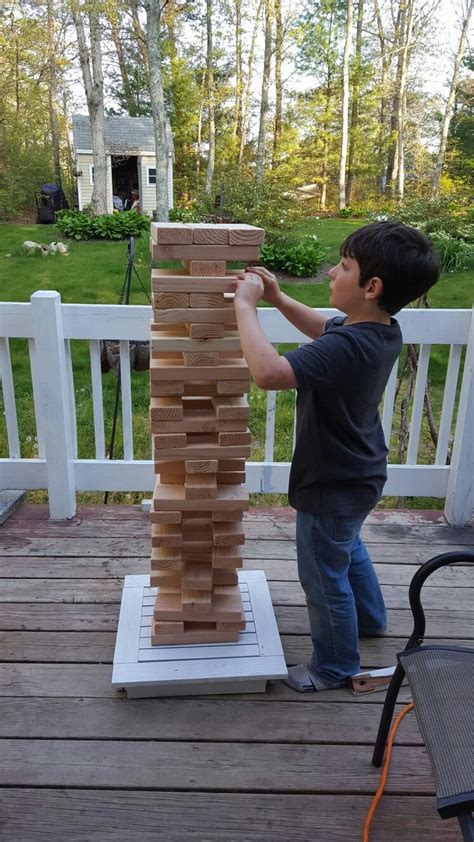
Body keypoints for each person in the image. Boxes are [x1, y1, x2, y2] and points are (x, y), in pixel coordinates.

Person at [234, 221, 440, 692]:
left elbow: (269, 374)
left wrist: (245, 306)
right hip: (359, 472)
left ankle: (334, 665)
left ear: (371, 287)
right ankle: (369, 620)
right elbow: (321, 325)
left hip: (331, 480)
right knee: (345, 549)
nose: (331, 270)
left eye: (343, 266)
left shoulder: (349, 346)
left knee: (323, 573)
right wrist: (278, 299)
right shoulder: (378, 331)